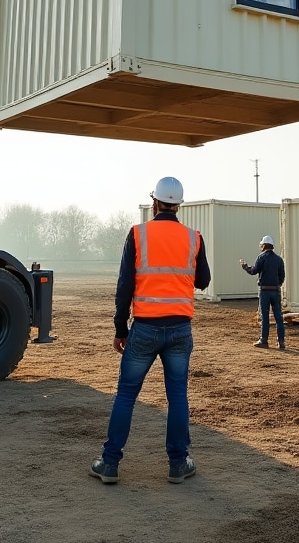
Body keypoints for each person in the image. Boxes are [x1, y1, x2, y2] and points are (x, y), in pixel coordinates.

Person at [90, 176, 211, 486]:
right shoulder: (194, 238)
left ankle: (109, 463)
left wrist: (120, 328)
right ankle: (178, 464)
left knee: (126, 395)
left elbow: (124, 286)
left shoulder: (137, 234)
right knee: (177, 396)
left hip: (144, 328)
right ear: (178, 205)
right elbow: (203, 281)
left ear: (155, 202)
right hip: (180, 329)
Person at [240, 235, 286, 349]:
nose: (260, 247)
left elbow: (253, 271)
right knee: (278, 316)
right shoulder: (279, 259)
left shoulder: (261, 257)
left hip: (264, 291)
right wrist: (277, 285)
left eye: (261, 245)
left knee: (265, 316)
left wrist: (245, 266)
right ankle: (281, 342)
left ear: (264, 246)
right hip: (276, 291)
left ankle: (264, 340)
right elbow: (282, 276)